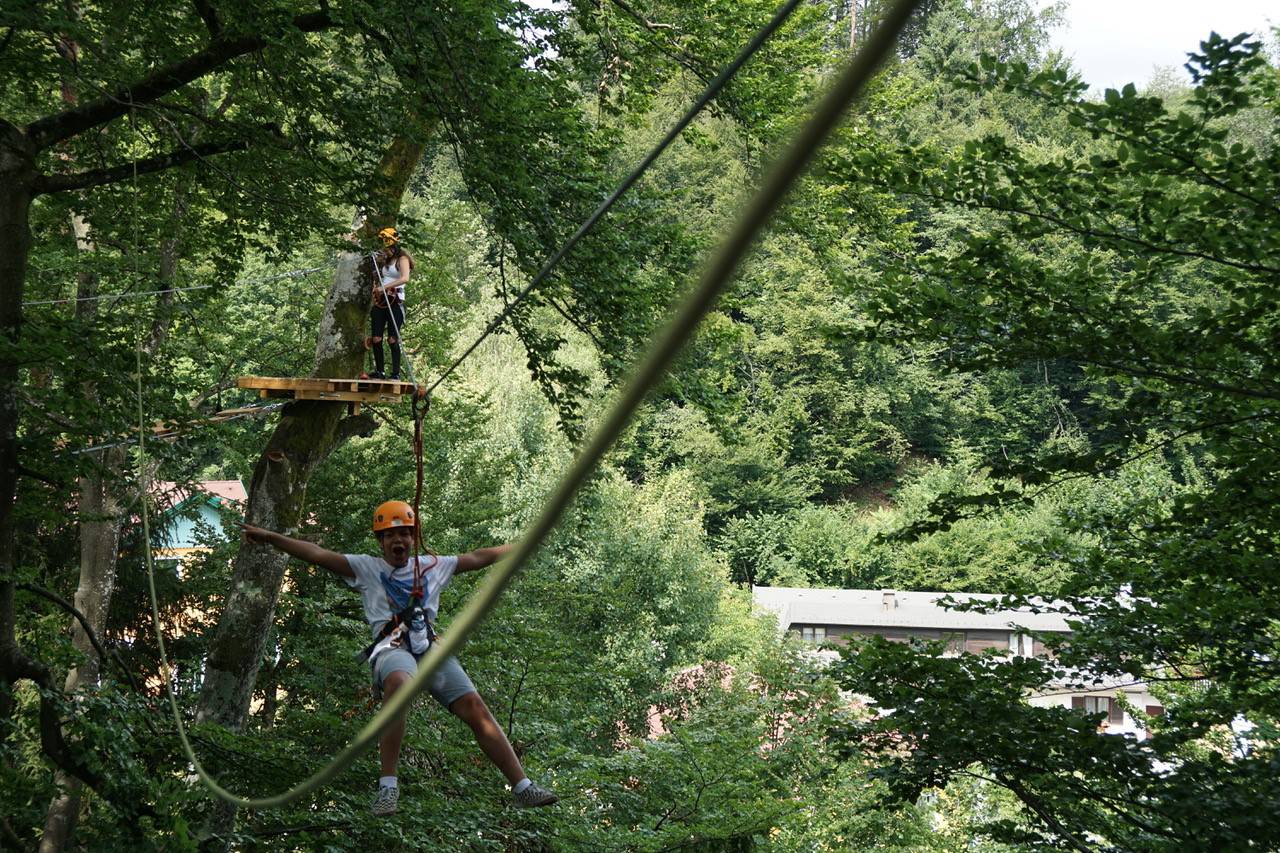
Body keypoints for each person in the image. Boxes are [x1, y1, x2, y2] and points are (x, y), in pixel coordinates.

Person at [238, 501, 558, 816]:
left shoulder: (433, 565)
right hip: (391, 649)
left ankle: (523, 787)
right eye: (390, 536)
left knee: (475, 706)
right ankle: (388, 786)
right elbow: (316, 554)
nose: (398, 541)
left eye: (405, 534)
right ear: (380, 541)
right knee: (400, 682)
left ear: (413, 538)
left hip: (429, 647)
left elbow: (478, 558)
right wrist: (270, 537)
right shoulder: (367, 568)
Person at [368, 226, 413, 380]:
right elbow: (376, 270)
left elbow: (405, 278)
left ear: (393, 247)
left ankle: (395, 374)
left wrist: (384, 287)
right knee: (376, 338)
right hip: (381, 301)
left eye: (386, 249)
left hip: (395, 301)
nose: (384, 251)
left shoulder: (402, 259)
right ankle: (380, 371)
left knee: (392, 338)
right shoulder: (386, 260)